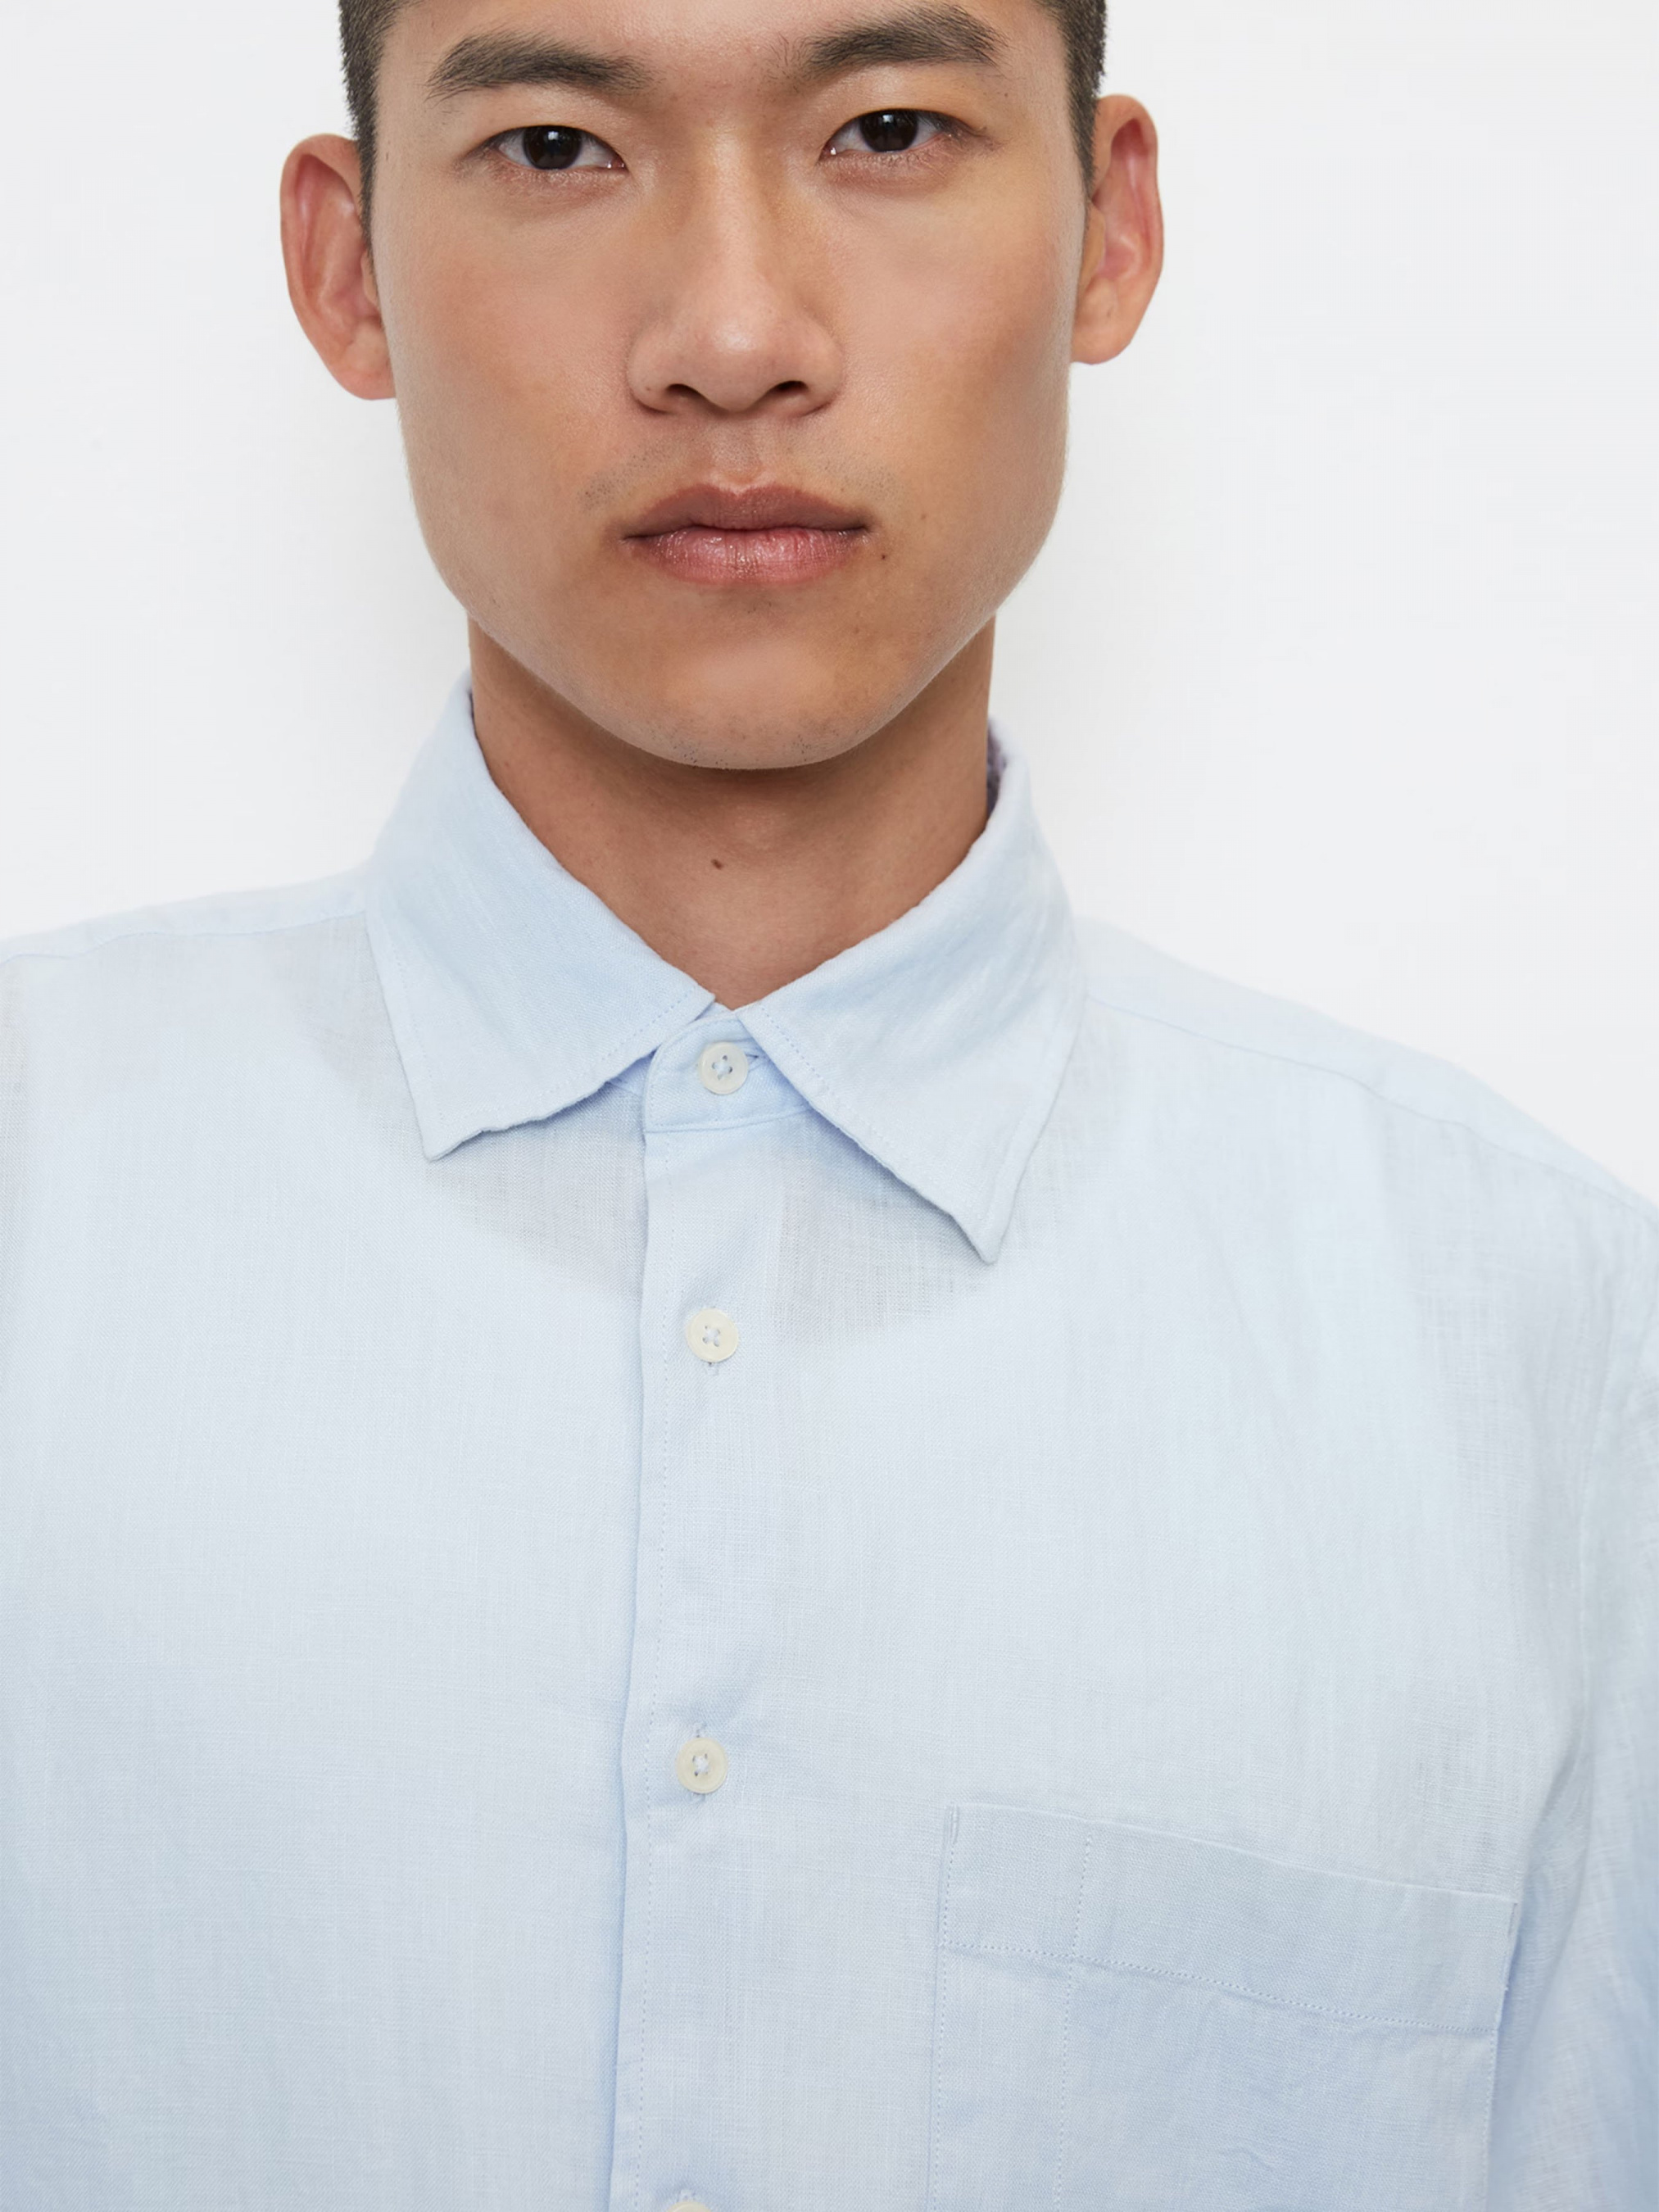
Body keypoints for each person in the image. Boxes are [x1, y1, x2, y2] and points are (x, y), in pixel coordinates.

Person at [1, 0, 1652, 2203]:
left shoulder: (1549, 1361)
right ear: (347, 267)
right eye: (556, 149)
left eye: (884, 128)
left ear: (1107, 230)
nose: (733, 337)